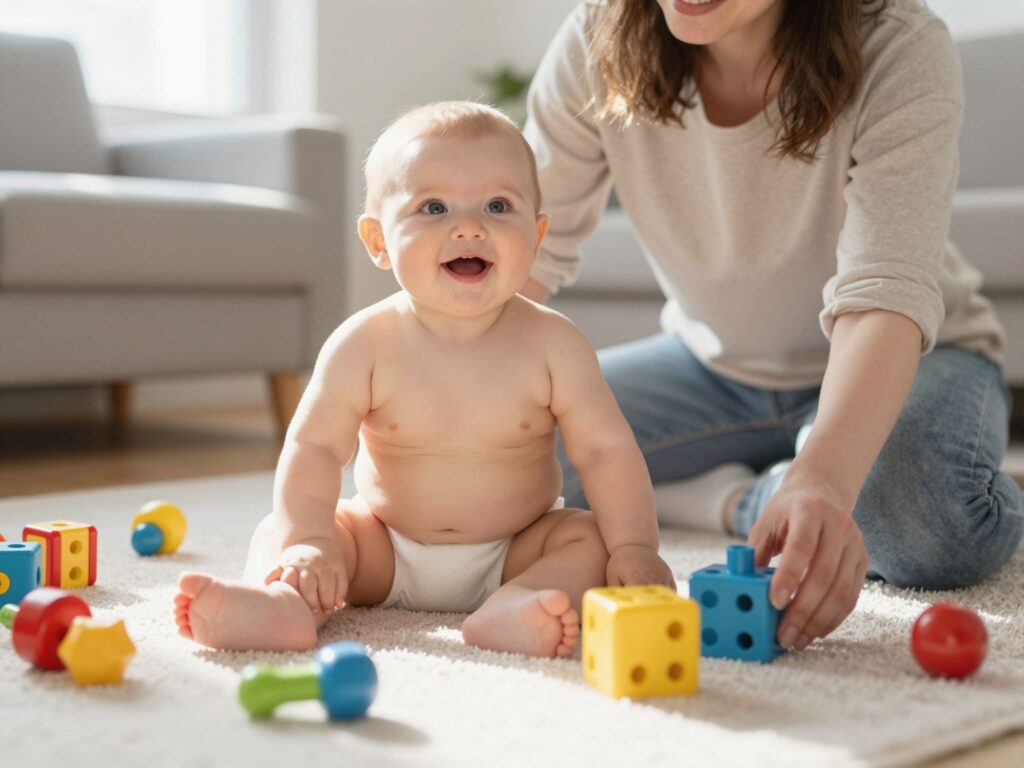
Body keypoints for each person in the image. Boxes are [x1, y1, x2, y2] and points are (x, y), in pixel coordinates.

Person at [521, 0, 1023, 653]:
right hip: (711, 368)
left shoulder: (899, 40)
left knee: (928, 518)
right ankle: (740, 497)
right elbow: (524, 246)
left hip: (915, 357)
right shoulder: (600, 33)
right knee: (511, 458)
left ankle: (784, 482)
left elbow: (885, 290)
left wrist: (824, 480)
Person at [173, 101, 673, 657]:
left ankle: (518, 606)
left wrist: (635, 546)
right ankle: (283, 606)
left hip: (517, 549)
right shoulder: (363, 344)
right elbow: (314, 447)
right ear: (379, 241)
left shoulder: (556, 345)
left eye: (497, 205)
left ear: (537, 236)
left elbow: (607, 452)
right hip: (382, 547)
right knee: (284, 532)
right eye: (433, 207)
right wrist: (311, 542)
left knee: (588, 541)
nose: (468, 226)